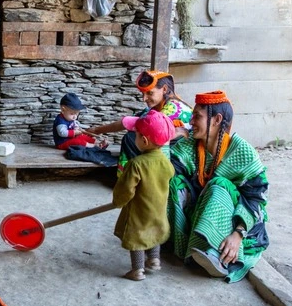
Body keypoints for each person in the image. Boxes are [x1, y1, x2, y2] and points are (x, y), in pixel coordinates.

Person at [167, 90, 269, 283]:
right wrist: (167, 137)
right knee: (174, 184)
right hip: (199, 212)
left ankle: (216, 257)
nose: (191, 122)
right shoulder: (190, 145)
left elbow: (257, 199)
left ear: (216, 120)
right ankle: (185, 247)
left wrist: (238, 234)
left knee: (218, 184)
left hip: (236, 222)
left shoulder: (243, 152)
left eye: (197, 117)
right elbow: (165, 170)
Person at [85, 70, 191, 175]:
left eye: (150, 93)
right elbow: (130, 120)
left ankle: (129, 178)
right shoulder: (159, 106)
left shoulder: (173, 109)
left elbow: (130, 123)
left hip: (177, 161)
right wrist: (96, 130)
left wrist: (97, 130)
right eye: (143, 94)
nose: (144, 98)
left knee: (130, 138)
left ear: (164, 89)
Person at [112, 110, 175, 281]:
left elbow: (126, 188)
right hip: (158, 209)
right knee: (154, 231)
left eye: (136, 135)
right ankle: (154, 260)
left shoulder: (136, 164)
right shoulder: (167, 163)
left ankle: (137, 270)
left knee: (137, 237)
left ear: (144, 141)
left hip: (139, 210)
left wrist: (118, 201)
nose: (134, 138)